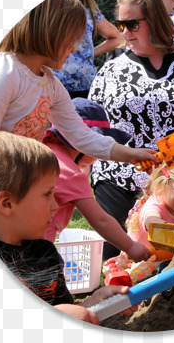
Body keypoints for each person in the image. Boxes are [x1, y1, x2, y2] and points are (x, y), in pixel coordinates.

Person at [88, 0, 174, 260]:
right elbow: (94, 127)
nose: (124, 32)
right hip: (121, 178)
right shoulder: (110, 71)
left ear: (157, 21)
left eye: (132, 24)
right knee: (119, 259)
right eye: (120, 25)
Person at [0, 0, 158, 168]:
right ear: (51, 30)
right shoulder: (4, 72)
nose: (74, 49)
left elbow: (81, 135)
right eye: (72, 38)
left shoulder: (50, 84)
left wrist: (132, 155)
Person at [0, 130, 137, 325]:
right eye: (48, 193)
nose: (55, 205)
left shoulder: (45, 253)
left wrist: (94, 303)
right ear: (6, 203)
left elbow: (65, 309)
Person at [41, 98, 151, 263]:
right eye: (98, 144)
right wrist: (131, 247)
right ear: (82, 142)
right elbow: (100, 221)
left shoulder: (41, 152)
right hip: (37, 249)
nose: (99, 154)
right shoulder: (70, 174)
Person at [53, 0, 122, 99]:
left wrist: (91, 52)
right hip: (53, 85)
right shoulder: (45, 16)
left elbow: (117, 38)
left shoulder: (90, 15)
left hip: (85, 86)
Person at [125, 159, 174, 256]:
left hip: (167, 260)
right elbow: (152, 222)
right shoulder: (153, 207)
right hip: (142, 264)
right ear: (161, 184)